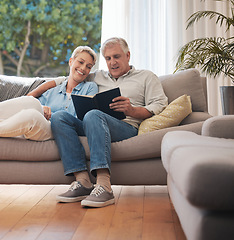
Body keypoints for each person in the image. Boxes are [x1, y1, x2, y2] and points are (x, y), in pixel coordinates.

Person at [31, 37, 168, 208]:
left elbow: (160, 104)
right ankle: (83, 182)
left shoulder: (146, 76)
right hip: (93, 124)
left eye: (116, 57)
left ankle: (104, 186)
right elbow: (70, 77)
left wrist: (132, 110)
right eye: (108, 58)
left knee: (93, 114)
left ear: (128, 55)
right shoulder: (97, 76)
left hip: (125, 126)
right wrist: (39, 90)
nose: (112, 62)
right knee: (60, 117)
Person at [0, 46, 98, 141]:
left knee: (33, 114)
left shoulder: (90, 88)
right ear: (71, 62)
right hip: (39, 122)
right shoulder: (54, 89)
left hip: (59, 130)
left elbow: (85, 117)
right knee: (33, 106)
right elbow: (28, 102)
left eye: (89, 66)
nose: (84, 69)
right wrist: (42, 107)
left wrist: (55, 114)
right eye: (81, 62)